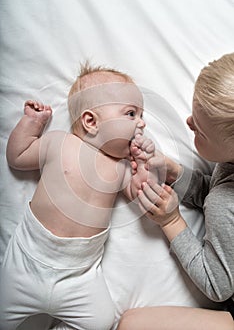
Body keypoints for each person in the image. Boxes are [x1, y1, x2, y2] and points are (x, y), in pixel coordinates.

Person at [0, 63, 157, 330]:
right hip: (28, 264)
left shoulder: (120, 168)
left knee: (102, 322)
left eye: (141, 115)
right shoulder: (58, 143)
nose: (141, 123)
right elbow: (17, 156)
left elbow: (137, 192)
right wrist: (32, 123)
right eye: (131, 113)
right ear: (90, 122)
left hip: (80, 276)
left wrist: (143, 165)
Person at [117, 53, 234, 330]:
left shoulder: (223, 203)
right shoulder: (225, 178)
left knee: (132, 325)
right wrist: (176, 173)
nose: (188, 121)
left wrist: (172, 222)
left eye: (200, 131)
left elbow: (218, 285)